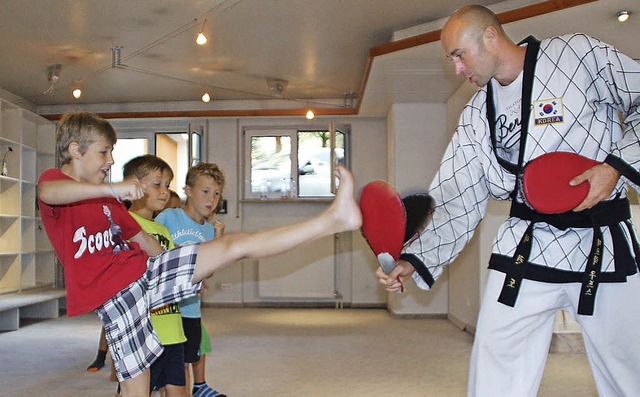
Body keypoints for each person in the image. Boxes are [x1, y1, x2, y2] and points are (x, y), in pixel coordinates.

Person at [377, 5, 640, 397]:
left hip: (602, 241)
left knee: (627, 364)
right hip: (526, 246)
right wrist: (414, 259)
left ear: (489, 36)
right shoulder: (476, 116)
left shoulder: (578, 55)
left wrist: (615, 167)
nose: (457, 70)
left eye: (458, 55)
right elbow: (455, 194)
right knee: (495, 359)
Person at [37, 111, 362, 397]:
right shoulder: (56, 184)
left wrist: (195, 262)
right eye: (104, 152)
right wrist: (113, 188)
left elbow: (147, 242)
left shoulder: (107, 202)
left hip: (144, 273)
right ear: (75, 150)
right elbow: (50, 192)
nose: (110, 161)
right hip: (116, 297)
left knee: (232, 245)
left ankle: (332, 219)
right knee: (137, 383)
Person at [155, 163, 227, 397]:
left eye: (216, 194)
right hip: (164, 308)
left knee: (184, 364)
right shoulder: (169, 216)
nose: (211, 199)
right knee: (164, 368)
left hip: (190, 310)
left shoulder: (208, 231)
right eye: (205, 191)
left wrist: (217, 243)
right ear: (188, 190)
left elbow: (208, 272)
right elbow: (154, 249)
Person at [122, 154, 187, 397]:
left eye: (167, 186)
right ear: (134, 185)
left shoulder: (162, 230)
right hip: (141, 333)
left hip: (171, 327)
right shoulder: (124, 223)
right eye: (157, 184)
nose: (164, 192)